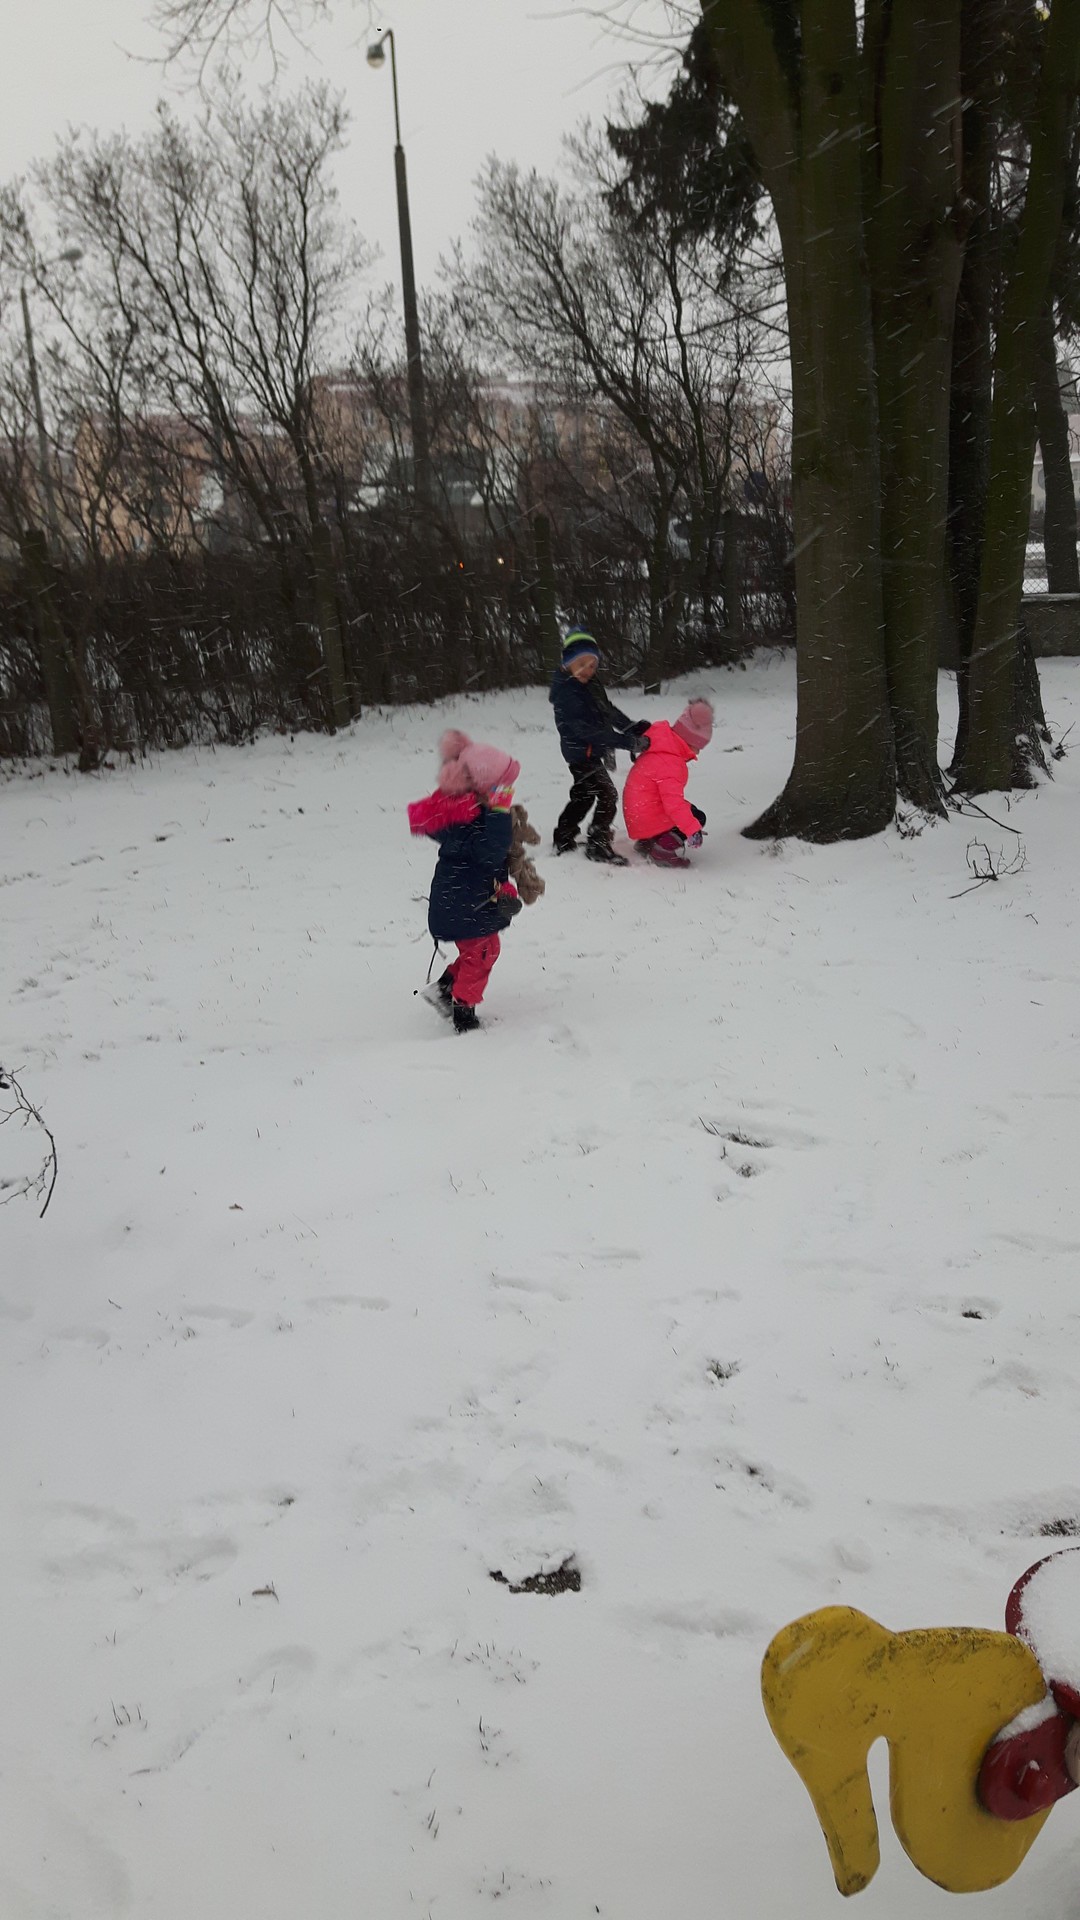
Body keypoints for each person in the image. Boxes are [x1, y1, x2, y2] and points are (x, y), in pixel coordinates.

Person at [407, 731, 525, 1033]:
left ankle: (446, 988)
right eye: (501, 788)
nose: (507, 793)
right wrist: (499, 812)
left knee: (484, 950)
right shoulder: (467, 820)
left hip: (468, 901)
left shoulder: (474, 814)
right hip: (463, 904)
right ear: (484, 788)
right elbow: (491, 851)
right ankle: (463, 1011)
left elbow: (492, 865)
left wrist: (505, 890)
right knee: (481, 954)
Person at [549, 629, 650, 865]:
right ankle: (597, 844)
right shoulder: (567, 694)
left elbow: (607, 710)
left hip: (589, 751)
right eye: (581, 664)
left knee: (583, 796)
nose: (587, 670)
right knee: (607, 794)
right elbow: (589, 732)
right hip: (581, 753)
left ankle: (563, 837)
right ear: (567, 663)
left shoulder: (590, 684)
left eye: (592, 665)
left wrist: (630, 727)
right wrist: (626, 742)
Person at [622, 698, 714, 868]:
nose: (697, 753)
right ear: (689, 741)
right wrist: (692, 830)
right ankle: (662, 851)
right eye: (698, 747)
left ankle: (648, 841)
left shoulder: (661, 744)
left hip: (638, 815)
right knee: (696, 817)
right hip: (645, 817)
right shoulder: (671, 762)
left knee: (688, 811)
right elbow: (673, 804)